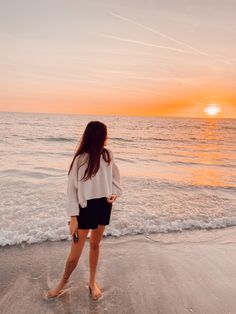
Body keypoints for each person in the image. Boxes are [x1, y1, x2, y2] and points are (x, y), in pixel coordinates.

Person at [46, 121, 122, 300]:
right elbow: (71, 190)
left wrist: (114, 193)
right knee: (75, 254)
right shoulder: (80, 159)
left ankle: (92, 282)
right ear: (100, 136)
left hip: (103, 205)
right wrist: (73, 217)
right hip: (84, 207)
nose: (106, 139)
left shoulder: (107, 155)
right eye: (104, 135)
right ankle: (62, 282)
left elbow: (116, 178)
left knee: (95, 244)